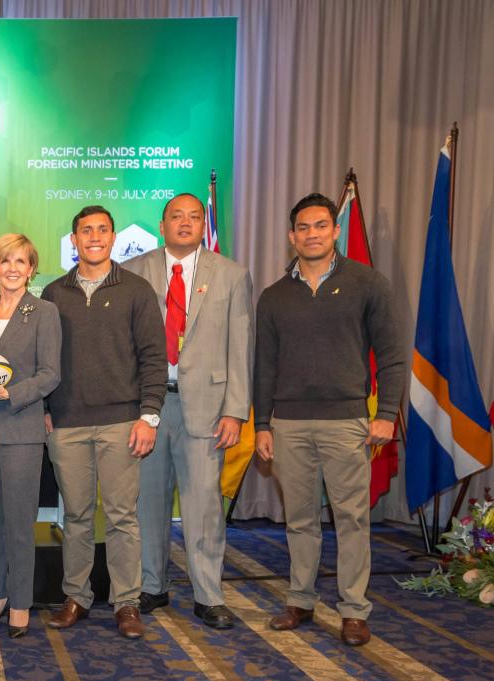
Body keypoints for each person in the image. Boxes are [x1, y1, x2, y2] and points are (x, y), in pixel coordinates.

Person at [254, 192, 404, 647]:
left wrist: (388, 415)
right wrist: (262, 423)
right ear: (291, 236)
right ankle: (300, 599)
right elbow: (265, 365)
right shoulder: (274, 296)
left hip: (347, 423)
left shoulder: (368, 283)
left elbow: (393, 357)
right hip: (290, 425)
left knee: (351, 519)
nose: (312, 234)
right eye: (304, 227)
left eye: (321, 225)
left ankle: (354, 610)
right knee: (298, 519)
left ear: (335, 231)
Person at [124, 194, 254, 628]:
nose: (185, 223)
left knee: (203, 507)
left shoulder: (232, 275)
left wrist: (236, 410)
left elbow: (241, 347)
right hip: (148, 406)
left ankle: (208, 595)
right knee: (148, 503)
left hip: (207, 409)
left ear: (204, 224)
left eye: (193, 217)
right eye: (175, 216)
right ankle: (151, 586)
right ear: (161, 225)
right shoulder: (133, 272)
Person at [42, 205, 167, 639]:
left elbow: (154, 357)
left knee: (120, 516)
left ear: (113, 238)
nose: (94, 237)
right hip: (67, 424)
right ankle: (76, 596)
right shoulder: (54, 293)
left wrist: (148, 416)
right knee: (75, 516)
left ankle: (127, 602)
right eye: (85, 231)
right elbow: (43, 360)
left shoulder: (137, 290)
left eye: (102, 230)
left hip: (121, 422)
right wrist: (44, 411)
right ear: (73, 240)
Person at [0, 234, 61, 638]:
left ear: (32, 268)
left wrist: (12, 394)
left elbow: (51, 374)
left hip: (21, 427)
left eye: (21, 261)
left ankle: (20, 603)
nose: (13, 268)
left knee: (21, 523)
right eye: (5, 261)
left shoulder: (44, 312)